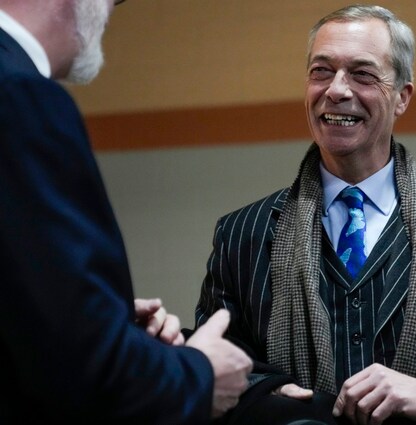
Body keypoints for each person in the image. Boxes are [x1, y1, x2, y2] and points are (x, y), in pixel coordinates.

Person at [193, 5, 416, 425]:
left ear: (402, 97)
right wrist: (266, 392)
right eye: (321, 71)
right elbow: (210, 370)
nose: (337, 90)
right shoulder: (243, 235)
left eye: (362, 74)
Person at [0, 0, 253, 422]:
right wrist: (200, 373)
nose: (111, 13)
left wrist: (103, 315)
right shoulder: (21, 96)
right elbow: (82, 370)